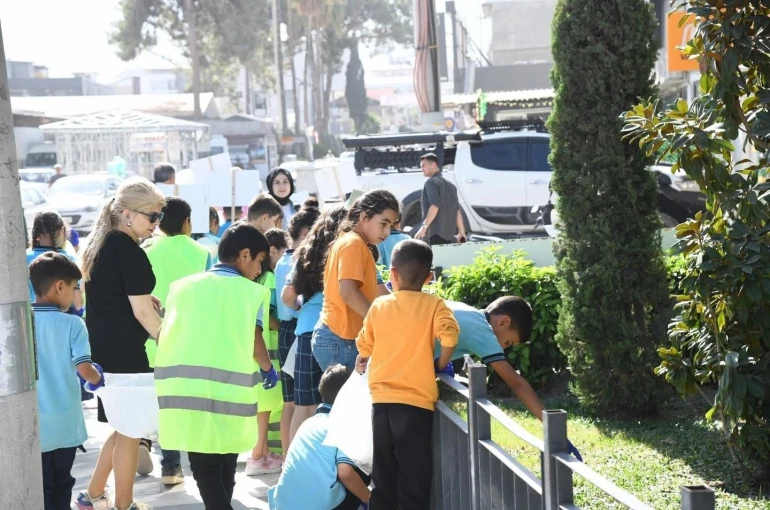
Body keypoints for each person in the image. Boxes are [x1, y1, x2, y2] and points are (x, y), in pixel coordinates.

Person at [154, 223, 279, 510]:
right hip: (231, 395)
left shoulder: (182, 288)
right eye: (260, 261)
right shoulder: (251, 293)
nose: (259, 270)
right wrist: (267, 368)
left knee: (204, 463)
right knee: (226, 459)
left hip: (187, 390)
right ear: (244, 255)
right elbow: (255, 338)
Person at [72, 177, 165, 510]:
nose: (156, 223)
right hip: (125, 352)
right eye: (152, 216)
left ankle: (93, 494)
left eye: (159, 216)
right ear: (127, 213)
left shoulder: (101, 243)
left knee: (123, 425)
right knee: (130, 429)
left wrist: (140, 301)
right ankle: (122, 505)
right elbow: (142, 313)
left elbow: (113, 296)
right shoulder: (127, 250)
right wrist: (168, 342)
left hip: (103, 347)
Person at [355, 239, 459, 509]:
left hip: (381, 403)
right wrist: (440, 363)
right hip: (416, 405)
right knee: (414, 478)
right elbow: (450, 336)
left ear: (392, 273)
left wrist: (362, 357)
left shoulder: (379, 306)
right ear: (428, 277)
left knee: (383, 477)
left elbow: (364, 345)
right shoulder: (435, 305)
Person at [443, 296, 584, 460]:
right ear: (503, 322)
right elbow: (517, 384)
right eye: (507, 343)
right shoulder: (482, 332)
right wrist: (553, 429)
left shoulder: (467, 311)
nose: (502, 348)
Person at [140, 196, 212, 484]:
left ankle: (169, 466)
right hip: (193, 339)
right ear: (187, 222)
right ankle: (199, 461)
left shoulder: (145, 250)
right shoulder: (203, 252)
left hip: (154, 337)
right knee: (194, 403)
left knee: (164, 405)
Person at [29, 252, 104, 510]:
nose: (75, 296)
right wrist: (99, 378)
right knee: (62, 483)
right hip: (64, 425)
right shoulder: (73, 324)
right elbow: (84, 369)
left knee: (41, 487)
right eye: (74, 288)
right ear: (60, 286)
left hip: (33, 426)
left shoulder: (21, 320)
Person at [312, 189, 400, 371]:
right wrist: (378, 322)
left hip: (338, 338)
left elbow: (377, 292)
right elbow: (348, 292)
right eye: (383, 224)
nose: (387, 232)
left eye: (390, 226)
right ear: (364, 217)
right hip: (340, 340)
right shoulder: (353, 244)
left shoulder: (355, 242)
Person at [282, 205, 349, 442]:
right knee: (337, 404)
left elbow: (287, 296)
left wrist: (301, 309)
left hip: (307, 329)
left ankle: (294, 461)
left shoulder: (306, 254)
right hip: (339, 329)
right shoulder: (349, 252)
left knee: (304, 406)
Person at [267, 364, 371, 510]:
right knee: (362, 470)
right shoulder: (343, 424)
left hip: (282, 505)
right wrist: (373, 500)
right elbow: (345, 472)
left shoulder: (309, 423)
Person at [274, 199, 321, 453]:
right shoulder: (301, 261)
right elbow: (291, 300)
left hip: (286, 329)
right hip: (297, 328)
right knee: (303, 402)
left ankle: (287, 458)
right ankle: (297, 457)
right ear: (306, 233)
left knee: (290, 402)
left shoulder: (281, 261)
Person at [247, 228, 289, 476]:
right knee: (268, 402)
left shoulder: (255, 279)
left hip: (255, 347)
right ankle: (258, 454)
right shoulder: (271, 280)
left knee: (262, 402)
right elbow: (272, 319)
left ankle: (261, 452)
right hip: (269, 347)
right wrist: (285, 326)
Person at [26, 211, 84, 315]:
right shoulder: (69, 259)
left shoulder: (23, 259)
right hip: (62, 318)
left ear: (36, 233)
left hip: (30, 319)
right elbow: (78, 303)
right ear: (61, 231)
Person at [414, 153, 468, 245]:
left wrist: (423, 228)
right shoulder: (451, 186)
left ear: (433, 165)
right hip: (449, 237)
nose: (421, 169)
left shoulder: (430, 183)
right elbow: (457, 211)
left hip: (434, 236)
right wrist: (461, 232)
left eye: (423, 166)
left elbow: (435, 206)